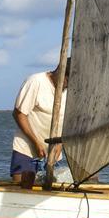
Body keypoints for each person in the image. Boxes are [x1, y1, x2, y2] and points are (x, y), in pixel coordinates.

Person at [11, 60, 68, 189]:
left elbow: (71, 120)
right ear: (59, 72)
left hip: (52, 153)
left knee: (50, 191)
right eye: (66, 80)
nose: (67, 85)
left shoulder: (71, 89)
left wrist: (60, 143)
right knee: (21, 190)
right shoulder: (35, 81)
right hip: (26, 149)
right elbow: (19, 114)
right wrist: (36, 142)